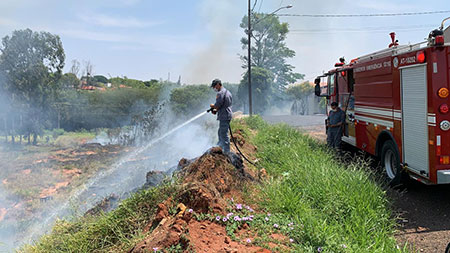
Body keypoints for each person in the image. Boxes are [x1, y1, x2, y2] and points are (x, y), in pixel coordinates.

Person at [210, 79, 233, 153]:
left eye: (214, 86)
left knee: (223, 133)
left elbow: (217, 105)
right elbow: (223, 105)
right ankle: (219, 147)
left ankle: (226, 151)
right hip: (226, 114)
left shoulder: (220, 93)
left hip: (224, 115)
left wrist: (212, 106)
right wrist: (216, 111)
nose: (214, 88)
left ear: (218, 84)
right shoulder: (228, 92)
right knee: (220, 132)